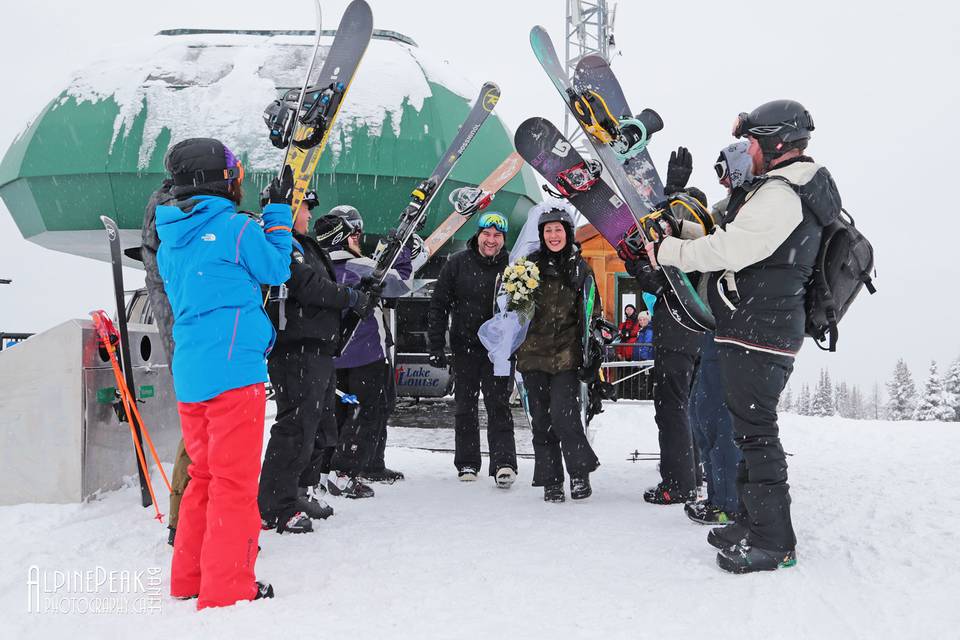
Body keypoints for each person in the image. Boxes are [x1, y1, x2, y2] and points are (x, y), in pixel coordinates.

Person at [640, 99, 841, 573]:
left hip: (760, 332)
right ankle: (752, 522)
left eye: (750, 141)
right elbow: (733, 232)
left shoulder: (783, 193)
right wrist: (683, 229)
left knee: (757, 436)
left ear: (773, 141)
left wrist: (669, 250)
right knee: (748, 434)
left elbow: (732, 247)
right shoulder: (779, 190)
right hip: (752, 329)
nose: (744, 150)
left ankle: (775, 541)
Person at [156, 137, 291, 607]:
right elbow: (276, 268)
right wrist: (277, 213)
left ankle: (188, 577)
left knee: (205, 478)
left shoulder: (170, 238)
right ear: (219, 177)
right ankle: (229, 587)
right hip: (235, 371)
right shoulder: (235, 229)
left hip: (192, 374)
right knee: (233, 484)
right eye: (234, 170)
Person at [258, 192, 379, 528]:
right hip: (295, 350)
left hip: (318, 350)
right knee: (296, 427)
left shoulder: (306, 244)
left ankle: (298, 491)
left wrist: (359, 292)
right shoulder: (281, 244)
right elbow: (308, 287)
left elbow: (324, 285)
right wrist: (351, 297)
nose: (310, 216)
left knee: (319, 427)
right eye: (307, 209)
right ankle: (274, 505)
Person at [625, 148, 706, 507]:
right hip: (700, 335)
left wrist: (637, 268)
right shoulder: (709, 244)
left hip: (677, 333)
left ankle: (679, 483)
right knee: (690, 408)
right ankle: (693, 473)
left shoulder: (685, 248)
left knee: (671, 409)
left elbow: (661, 280)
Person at [319, 204, 409, 494]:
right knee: (367, 412)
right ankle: (346, 471)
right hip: (367, 355)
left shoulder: (314, 267)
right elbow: (401, 284)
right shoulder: (364, 266)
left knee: (338, 414)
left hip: (332, 357)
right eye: (355, 232)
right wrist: (402, 251)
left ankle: (329, 469)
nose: (358, 238)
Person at [685, 143, 753, 527]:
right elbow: (703, 235)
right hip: (719, 323)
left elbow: (712, 246)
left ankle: (727, 501)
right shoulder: (734, 209)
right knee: (702, 412)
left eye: (725, 172)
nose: (722, 181)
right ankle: (720, 495)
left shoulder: (752, 210)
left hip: (736, 327)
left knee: (717, 416)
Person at [515, 202, 600, 502]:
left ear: (568, 233)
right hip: (532, 355)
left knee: (565, 417)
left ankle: (578, 474)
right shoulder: (528, 268)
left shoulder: (580, 268)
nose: (553, 235)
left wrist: (594, 351)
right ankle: (551, 479)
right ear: (541, 234)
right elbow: (517, 315)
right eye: (548, 230)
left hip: (566, 356)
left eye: (558, 230)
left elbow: (591, 313)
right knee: (541, 419)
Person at [428, 211, 517, 485]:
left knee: (498, 405)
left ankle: (504, 463)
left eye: (497, 236)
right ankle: (467, 463)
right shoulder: (457, 263)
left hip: (500, 351)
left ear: (503, 239)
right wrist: (436, 344)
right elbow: (439, 304)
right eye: (487, 234)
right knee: (465, 406)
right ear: (478, 235)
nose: (491, 241)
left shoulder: (515, 266)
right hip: (466, 346)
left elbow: (526, 308)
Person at [138, 178, 187, 548]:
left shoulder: (166, 206)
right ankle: (183, 519)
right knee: (199, 440)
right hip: (189, 344)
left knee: (198, 436)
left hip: (187, 344)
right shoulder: (173, 209)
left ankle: (184, 519)